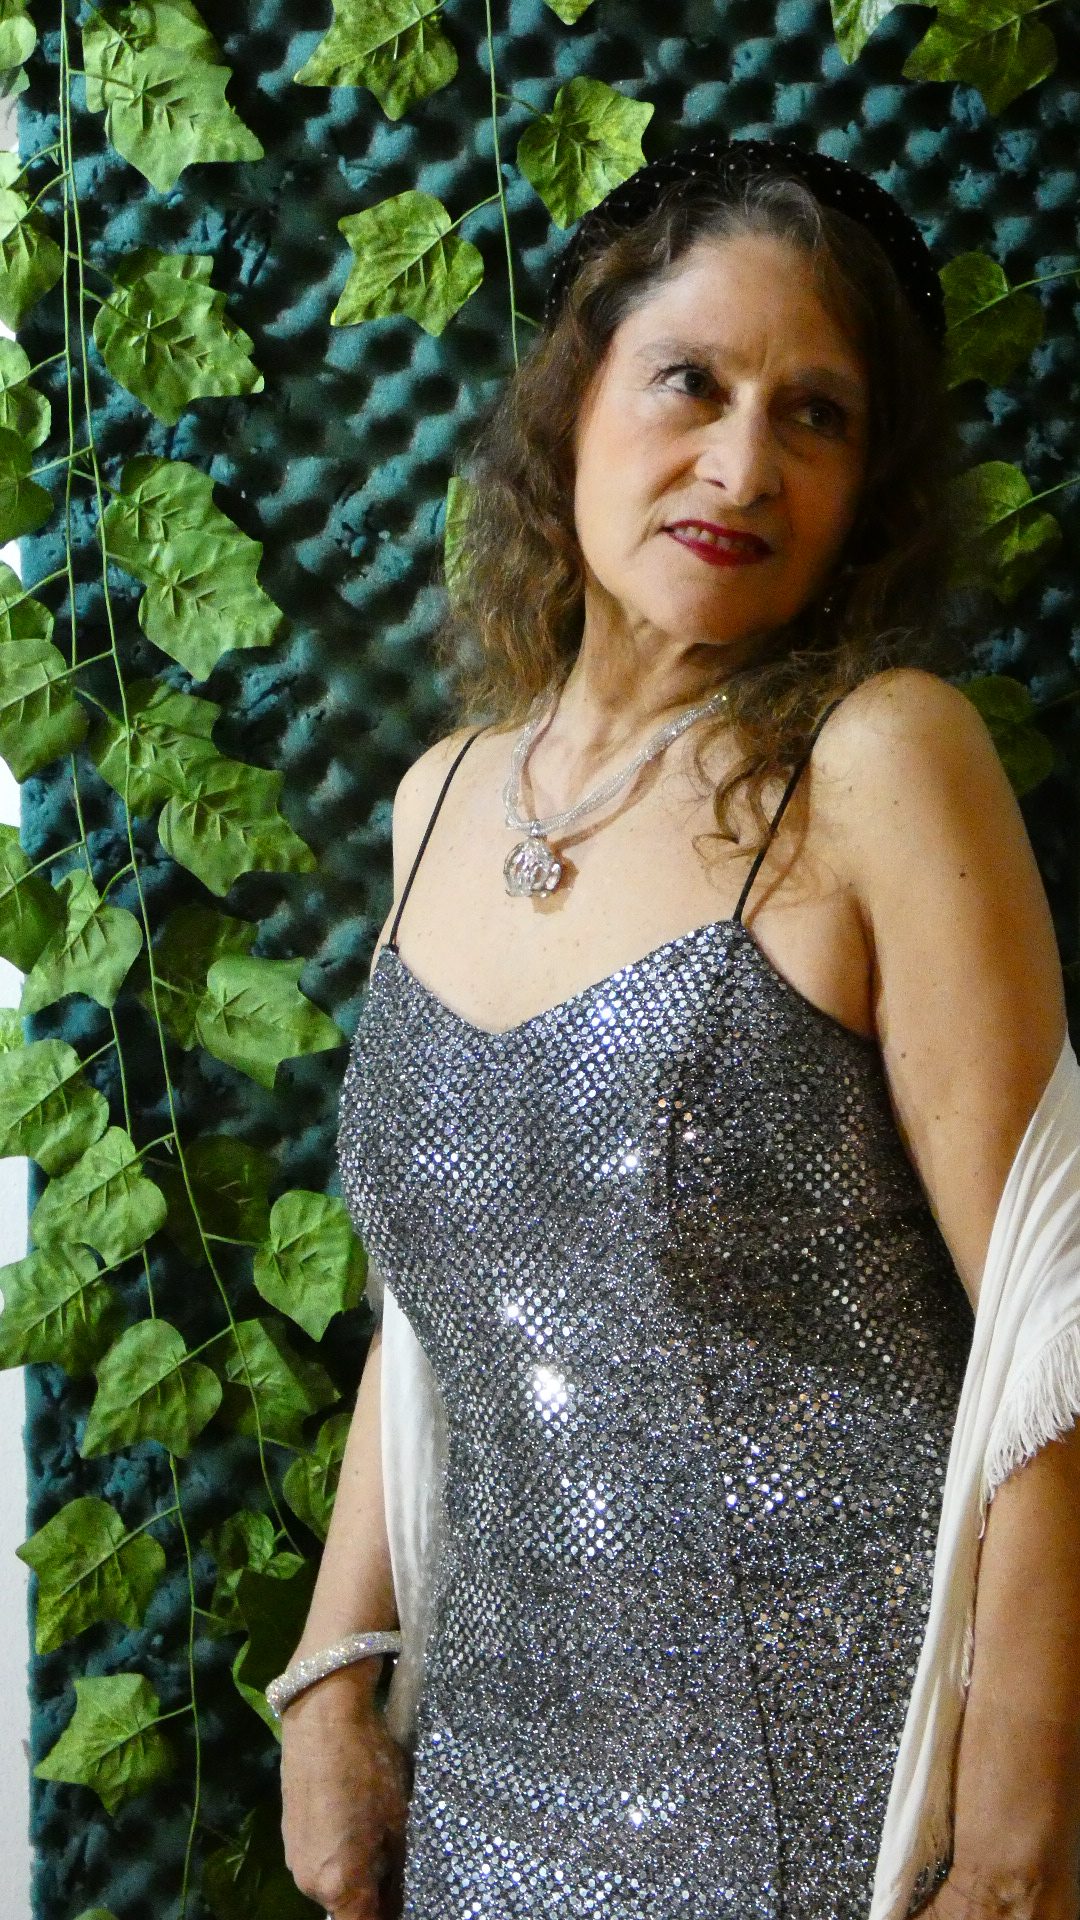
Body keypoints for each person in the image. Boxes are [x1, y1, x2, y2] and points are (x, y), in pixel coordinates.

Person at [275, 137, 1080, 1920]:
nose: (741, 464)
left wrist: (1020, 1851)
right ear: (573, 401)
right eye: (690, 382)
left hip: (828, 1805)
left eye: (817, 417)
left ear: (869, 493)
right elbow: (442, 1299)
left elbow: (1061, 1330)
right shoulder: (440, 801)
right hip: (483, 1788)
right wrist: (333, 1676)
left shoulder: (878, 762)